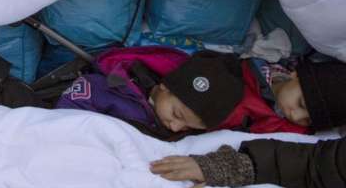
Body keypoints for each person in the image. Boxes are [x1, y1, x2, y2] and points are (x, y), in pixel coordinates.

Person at [149, 61, 346, 188]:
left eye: (307, 119)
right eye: (301, 103)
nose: (295, 114)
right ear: (296, 75)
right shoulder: (244, 76)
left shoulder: (297, 134)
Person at [56, 48, 311, 138]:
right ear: (166, 86)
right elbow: (65, 113)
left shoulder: (174, 126)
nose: (176, 127)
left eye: (187, 127)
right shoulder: (111, 88)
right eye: (177, 114)